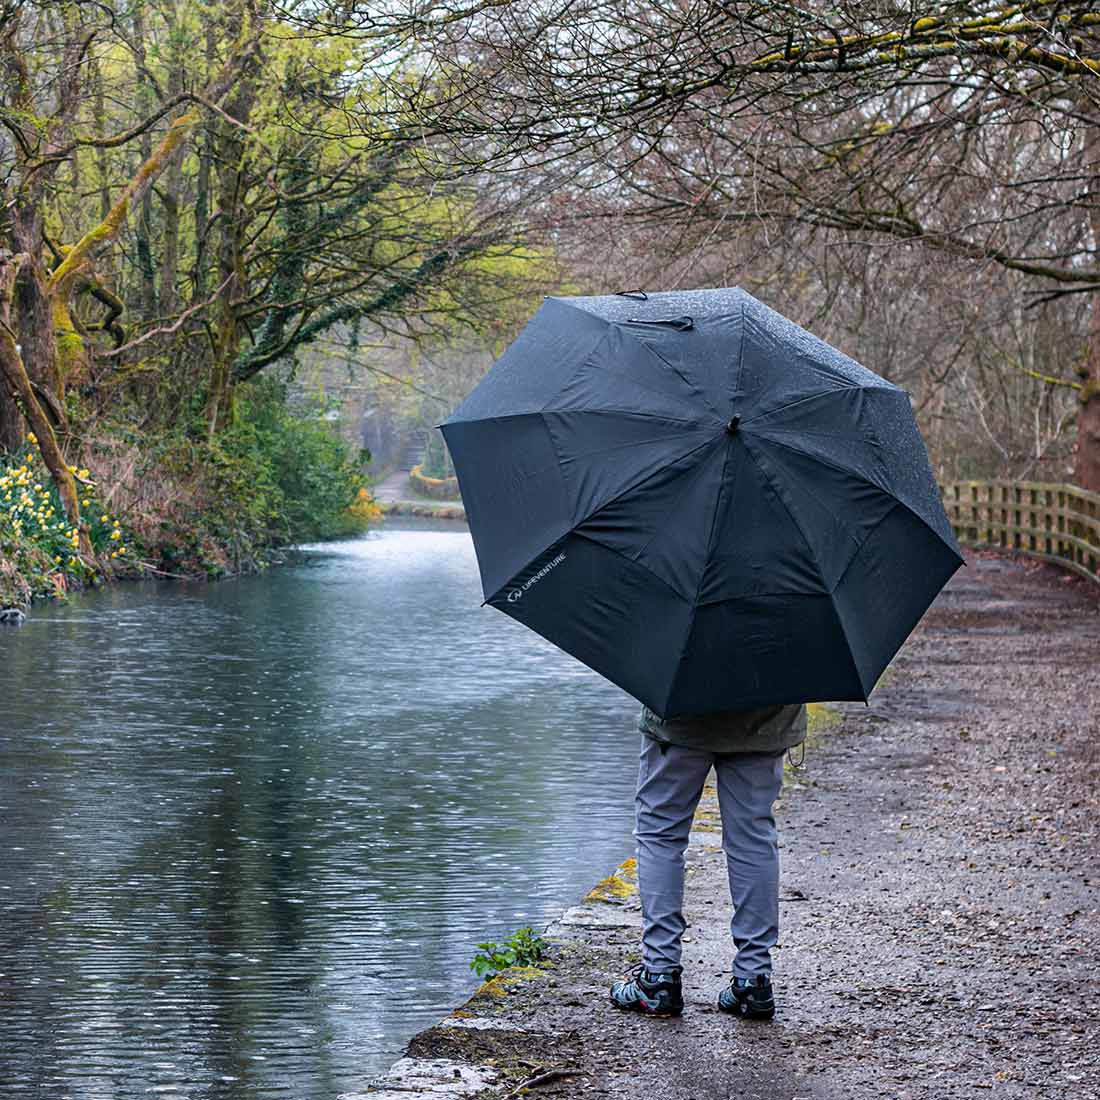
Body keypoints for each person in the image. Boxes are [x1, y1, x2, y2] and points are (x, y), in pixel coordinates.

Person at [609, 702, 807, 1020]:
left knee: (660, 833)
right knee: (753, 839)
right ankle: (754, 980)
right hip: (765, 709)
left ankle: (659, 976)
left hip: (681, 710)